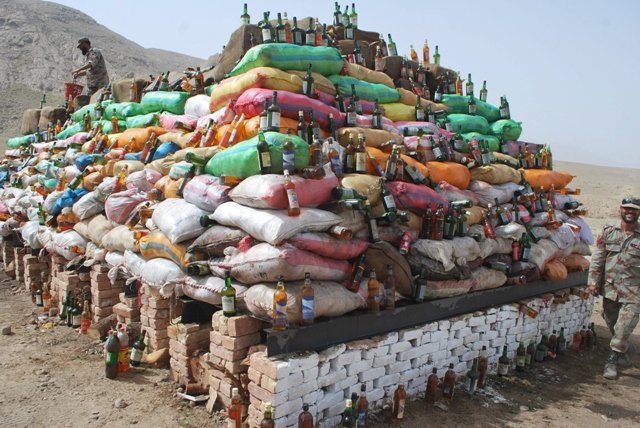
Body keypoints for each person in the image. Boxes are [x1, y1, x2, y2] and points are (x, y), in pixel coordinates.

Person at [588, 197, 640, 380]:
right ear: (621, 210)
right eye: (627, 208)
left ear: (638, 212)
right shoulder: (608, 231)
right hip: (610, 288)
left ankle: (611, 361)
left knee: (625, 326)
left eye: (634, 209)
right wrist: (593, 282)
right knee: (611, 320)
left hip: (634, 291)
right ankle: (624, 348)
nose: (630, 212)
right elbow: (598, 258)